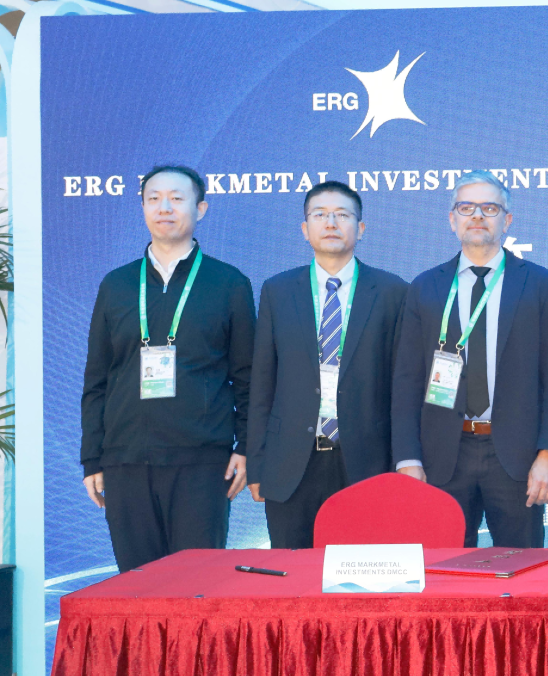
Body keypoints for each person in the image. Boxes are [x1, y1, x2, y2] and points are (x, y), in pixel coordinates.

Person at [81, 165, 255, 572]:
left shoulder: (228, 283)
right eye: (154, 198)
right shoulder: (116, 285)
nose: (165, 208)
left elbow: (248, 377)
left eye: (177, 198)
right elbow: (97, 381)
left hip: (202, 464)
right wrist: (93, 459)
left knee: (196, 586)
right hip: (125, 463)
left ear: (201, 208)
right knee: (137, 587)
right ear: (142, 207)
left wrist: (246, 446)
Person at [391, 170, 548, 548]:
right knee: (444, 569)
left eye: (490, 208)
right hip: (443, 455)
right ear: (452, 219)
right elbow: (407, 380)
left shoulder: (539, 283)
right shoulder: (425, 286)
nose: (477, 215)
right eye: (466, 207)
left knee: (520, 567)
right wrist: (408, 458)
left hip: (517, 457)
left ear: (507, 220)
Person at [246, 182, 408, 548]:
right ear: (305, 229)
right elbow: (263, 385)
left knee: (362, 572)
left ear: (360, 228)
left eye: (342, 215)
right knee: (294, 572)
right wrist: (257, 463)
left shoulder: (392, 291)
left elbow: (402, 387)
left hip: (366, 461)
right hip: (291, 463)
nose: (331, 223)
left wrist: (401, 462)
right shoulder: (278, 290)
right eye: (320, 215)